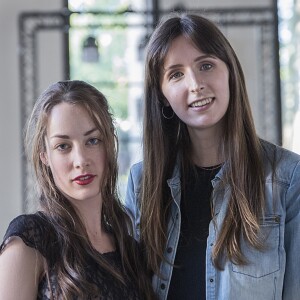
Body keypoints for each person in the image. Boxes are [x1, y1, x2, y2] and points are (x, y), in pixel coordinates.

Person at [125, 13, 300, 300]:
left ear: (230, 72)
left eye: (205, 65)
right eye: (176, 74)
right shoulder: (142, 183)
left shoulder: (289, 178)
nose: (195, 84)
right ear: (162, 95)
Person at [0, 80, 155, 299]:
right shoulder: (31, 238)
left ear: (108, 145)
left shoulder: (129, 249)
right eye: (63, 146)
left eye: (92, 141)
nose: (81, 160)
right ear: (45, 155)